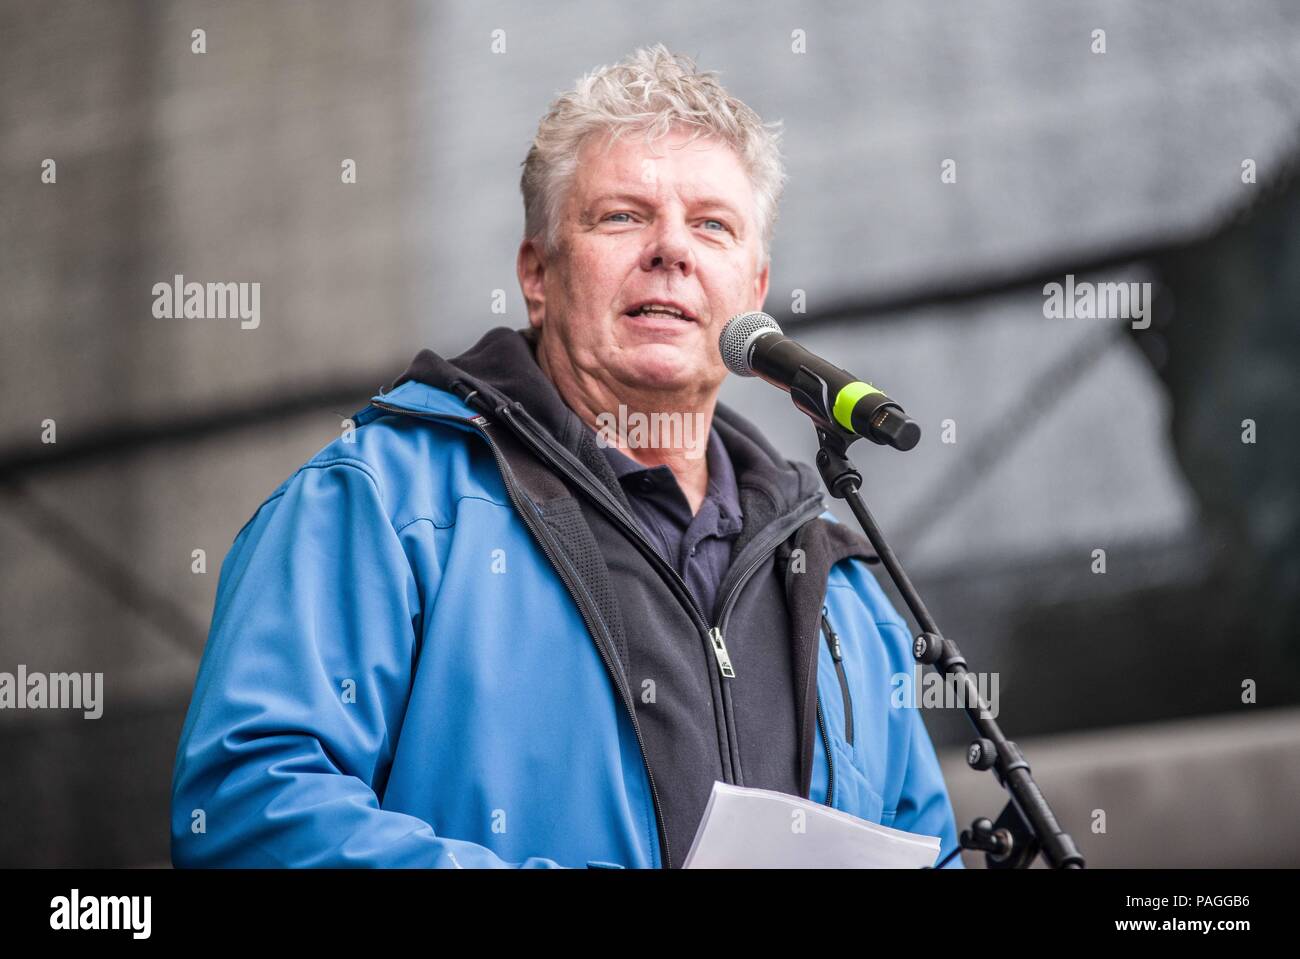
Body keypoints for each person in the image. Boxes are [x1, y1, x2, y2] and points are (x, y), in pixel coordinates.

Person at [171, 43, 963, 869]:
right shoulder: (378, 501)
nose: (671, 249)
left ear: (754, 291)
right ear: (537, 273)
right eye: (623, 216)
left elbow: (930, 848)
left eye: (712, 224)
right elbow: (248, 813)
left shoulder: (837, 578)